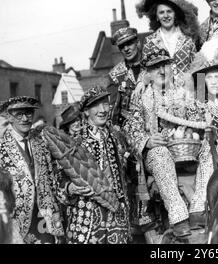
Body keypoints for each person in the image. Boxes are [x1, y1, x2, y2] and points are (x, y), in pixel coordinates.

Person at [123, 47, 213, 238]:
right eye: (156, 68)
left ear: (172, 67)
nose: (162, 72)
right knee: (159, 153)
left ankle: (199, 208)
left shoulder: (185, 91)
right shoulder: (141, 97)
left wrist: (195, 129)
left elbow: (198, 116)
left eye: (165, 65)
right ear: (148, 73)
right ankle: (178, 215)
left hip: (187, 146)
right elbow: (130, 128)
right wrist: (147, 140)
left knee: (209, 144)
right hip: (160, 151)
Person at [60, 86, 131, 244]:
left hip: (117, 215)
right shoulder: (74, 143)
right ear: (86, 111)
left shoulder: (118, 137)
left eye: (105, 104)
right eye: (96, 106)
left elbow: (130, 172)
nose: (102, 110)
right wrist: (69, 188)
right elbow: (59, 180)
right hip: (85, 215)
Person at [0, 96, 64, 243]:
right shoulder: (2, 147)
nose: (25, 119)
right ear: (10, 118)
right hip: (17, 218)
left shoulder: (41, 143)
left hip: (44, 216)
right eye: (19, 115)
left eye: (28, 113)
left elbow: (52, 177)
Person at [139, 0, 197, 88]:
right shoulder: (149, 41)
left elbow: (196, 68)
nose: (166, 16)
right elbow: (144, 70)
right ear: (157, 17)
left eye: (169, 11)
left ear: (175, 15)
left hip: (185, 96)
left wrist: (199, 95)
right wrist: (140, 83)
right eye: (161, 12)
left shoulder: (188, 41)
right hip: (161, 96)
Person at [107, 26, 144, 127]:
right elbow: (112, 108)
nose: (126, 49)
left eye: (129, 43)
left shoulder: (152, 65)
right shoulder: (115, 75)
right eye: (122, 46)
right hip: (131, 127)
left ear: (137, 42)